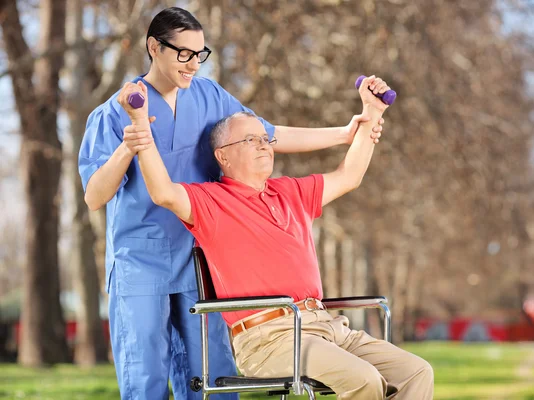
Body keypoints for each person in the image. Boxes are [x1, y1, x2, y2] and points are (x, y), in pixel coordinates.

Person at [78, 6, 384, 400]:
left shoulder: (208, 96)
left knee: (212, 376)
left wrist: (344, 134)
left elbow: (269, 135)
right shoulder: (114, 112)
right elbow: (94, 196)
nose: (193, 64)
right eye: (183, 53)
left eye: (200, 54)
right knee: (145, 378)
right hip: (141, 260)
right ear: (154, 47)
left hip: (201, 259)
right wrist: (128, 146)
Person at [121, 75, 434, 399]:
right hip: (268, 339)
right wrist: (141, 127)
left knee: (416, 372)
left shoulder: (290, 191)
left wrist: (373, 113)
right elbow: (162, 192)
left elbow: (349, 176)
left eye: (264, 139)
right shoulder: (211, 201)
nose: (262, 144)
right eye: (250, 140)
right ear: (223, 156)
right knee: (365, 379)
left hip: (326, 325)